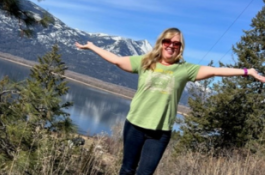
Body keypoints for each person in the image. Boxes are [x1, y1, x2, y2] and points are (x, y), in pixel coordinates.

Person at [75, 27, 265, 175]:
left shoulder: (185, 70)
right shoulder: (145, 62)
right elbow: (116, 60)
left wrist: (248, 71)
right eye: (168, 41)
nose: (171, 46)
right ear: (161, 43)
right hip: (135, 125)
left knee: (145, 173)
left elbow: (215, 71)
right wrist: (92, 46)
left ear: (180, 48)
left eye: (176, 44)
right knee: (127, 170)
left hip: (160, 133)